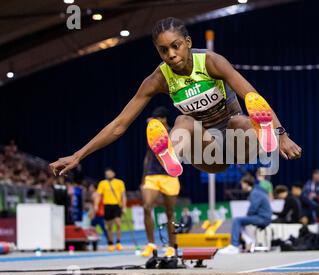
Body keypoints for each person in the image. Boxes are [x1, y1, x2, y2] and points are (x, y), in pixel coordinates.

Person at [49, 17, 302, 180]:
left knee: (241, 121)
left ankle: (267, 135)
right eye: (163, 50)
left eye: (176, 46)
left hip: (238, 142)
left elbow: (252, 95)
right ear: (158, 51)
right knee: (183, 120)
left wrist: (283, 135)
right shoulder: (157, 79)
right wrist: (78, 155)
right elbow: (119, 125)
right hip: (207, 153)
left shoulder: (212, 62)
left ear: (188, 42)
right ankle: (171, 156)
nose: (170, 54)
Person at [140, 107, 180, 258]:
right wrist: (143, 179)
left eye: (156, 120)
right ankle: (151, 244)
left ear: (163, 119)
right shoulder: (152, 134)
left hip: (169, 176)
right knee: (146, 206)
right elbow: (147, 157)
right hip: (152, 175)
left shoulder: (174, 133)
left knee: (170, 212)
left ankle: (172, 247)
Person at [218, 174, 272, 254]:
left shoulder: (255, 193)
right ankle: (248, 240)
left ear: (246, 184)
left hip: (263, 218)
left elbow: (253, 209)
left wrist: (246, 217)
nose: (241, 186)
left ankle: (234, 246)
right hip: (262, 217)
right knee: (241, 222)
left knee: (237, 220)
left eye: (242, 184)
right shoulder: (257, 190)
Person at [95, 168, 127, 252]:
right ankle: (110, 243)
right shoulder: (102, 183)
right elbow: (98, 195)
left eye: (110, 173)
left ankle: (118, 243)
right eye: (107, 174)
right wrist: (96, 205)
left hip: (117, 206)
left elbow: (123, 195)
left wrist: (124, 207)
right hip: (107, 206)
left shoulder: (120, 182)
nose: (109, 175)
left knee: (118, 224)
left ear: (113, 173)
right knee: (109, 227)